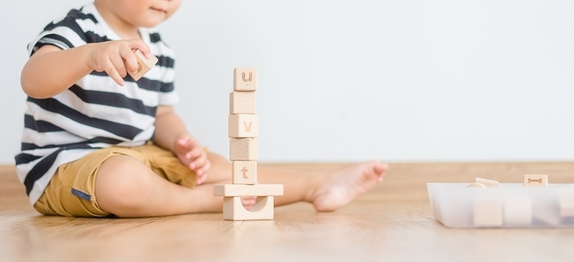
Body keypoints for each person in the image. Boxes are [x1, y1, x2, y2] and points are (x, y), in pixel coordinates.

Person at [16, 0, 389, 218]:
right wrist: (90, 56)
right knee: (122, 180)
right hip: (62, 164)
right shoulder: (75, 28)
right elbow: (34, 79)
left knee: (220, 166)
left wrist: (180, 141)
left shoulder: (159, 47)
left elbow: (161, 115)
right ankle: (201, 202)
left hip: (139, 154)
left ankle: (315, 185)